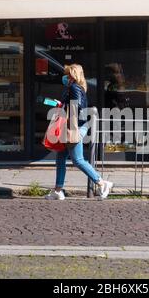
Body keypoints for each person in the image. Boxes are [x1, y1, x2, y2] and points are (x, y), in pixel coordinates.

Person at [45, 64, 113, 200]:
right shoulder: (73, 87)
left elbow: (79, 106)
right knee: (60, 159)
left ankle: (102, 183)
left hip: (73, 127)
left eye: (68, 74)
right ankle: (58, 190)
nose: (65, 76)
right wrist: (61, 104)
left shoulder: (74, 87)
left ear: (73, 75)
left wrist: (66, 106)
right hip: (71, 126)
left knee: (78, 160)